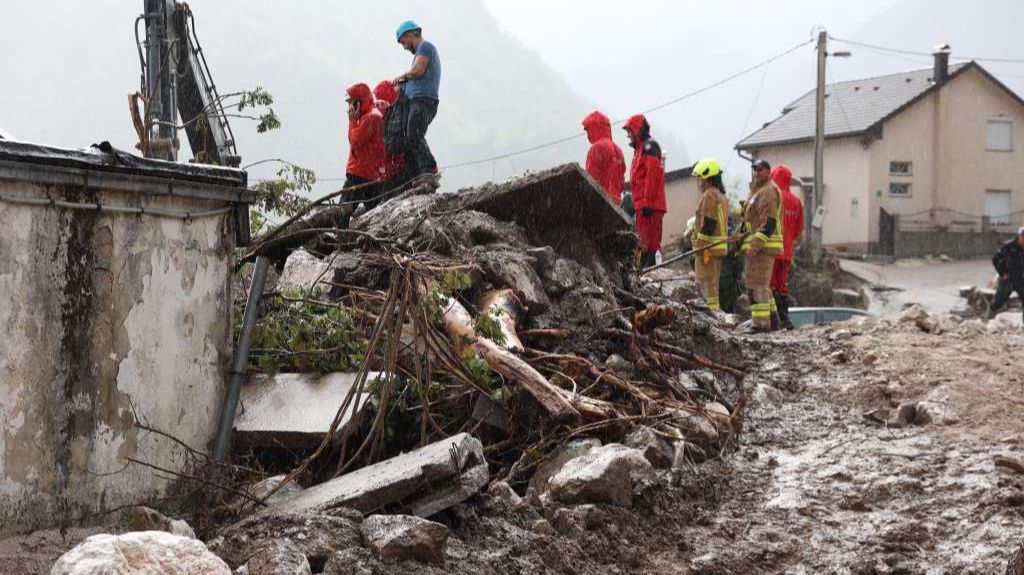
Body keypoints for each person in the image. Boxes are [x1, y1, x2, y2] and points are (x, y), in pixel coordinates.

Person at [393, 20, 441, 179]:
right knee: (409, 137)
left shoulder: (425, 47)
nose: (405, 47)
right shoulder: (419, 53)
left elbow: (419, 70)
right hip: (416, 100)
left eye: (404, 42)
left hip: (424, 100)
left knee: (414, 133)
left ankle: (428, 170)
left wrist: (403, 77)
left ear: (410, 35)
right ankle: (416, 175)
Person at [741, 159, 784, 332]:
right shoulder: (758, 190)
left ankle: (760, 324)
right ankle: (773, 321)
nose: (756, 172)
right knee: (761, 285)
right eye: (754, 169)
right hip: (760, 246)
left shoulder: (768, 191)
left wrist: (756, 244)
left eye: (760, 170)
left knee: (757, 284)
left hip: (763, 247)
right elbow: (751, 219)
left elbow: (769, 222)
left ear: (768, 171)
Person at [623, 115, 666, 269]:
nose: (628, 135)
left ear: (637, 130)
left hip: (649, 206)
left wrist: (647, 202)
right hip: (643, 204)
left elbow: (652, 176)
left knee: (650, 245)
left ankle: (651, 273)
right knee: (644, 244)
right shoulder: (641, 149)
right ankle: (646, 272)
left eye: (629, 131)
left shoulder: (650, 147)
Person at [341, 83, 386, 227]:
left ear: (359, 102)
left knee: (343, 212)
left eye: (352, 103)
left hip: (360, 173)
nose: (350, 108)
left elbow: (355, 143)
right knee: (373, 213)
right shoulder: (371, 115)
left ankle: (340, 242)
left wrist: (352, 122)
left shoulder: (370, 118)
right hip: (372, 174)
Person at [691, 158, 730, 311]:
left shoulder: (709, 195)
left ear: (707, 177)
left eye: (701, 178)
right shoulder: (721, 196)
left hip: (708, 249)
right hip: (717, 249)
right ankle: (713, 313)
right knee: (712, 285)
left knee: (705, 284)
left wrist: (699, 246)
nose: (699, 182)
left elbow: (708, 223)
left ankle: (710, 315)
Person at [769, 164, 805, 329]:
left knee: (769, 284)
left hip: (772, 249)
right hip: (787, 251)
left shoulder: (773, 197)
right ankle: (785, 318)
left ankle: (777, 318)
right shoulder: (796, 202)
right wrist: (788, 239)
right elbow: (799, 229)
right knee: (782, 284)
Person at [582, 111, 626, 203]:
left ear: (594, 128)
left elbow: (590, 178)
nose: (588, 135)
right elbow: (621, 182)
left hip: (600, 200)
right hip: (616, 202)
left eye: (588, 130)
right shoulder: (619, 150)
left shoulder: (596, 148)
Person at [990, 226, 1024, 321]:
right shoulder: (1008, 246)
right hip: (1008, 279)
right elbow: (995, 259)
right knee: (997, 302)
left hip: (1021, 280)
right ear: (1020, 236)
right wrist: (1002, 273)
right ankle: (990, 319)